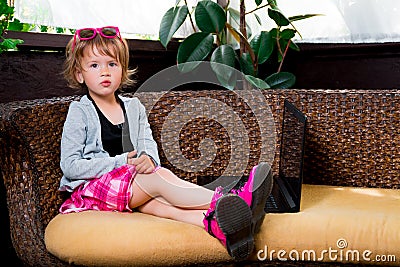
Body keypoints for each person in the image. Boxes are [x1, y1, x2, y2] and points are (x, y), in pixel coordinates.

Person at [58, 26, 273, 261]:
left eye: (112, 64)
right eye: (94, 65)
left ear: (122, 68)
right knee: (158, 179)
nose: (105, 72)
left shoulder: (134, 107)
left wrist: (148, 160)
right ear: (80, 74)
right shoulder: (80, 111)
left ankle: (221, 227)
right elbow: (70, 165)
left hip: (131, 186)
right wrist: (122, 161)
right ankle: (232, 199)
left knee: (163, 205)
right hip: (94, 191)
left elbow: (147, 146)